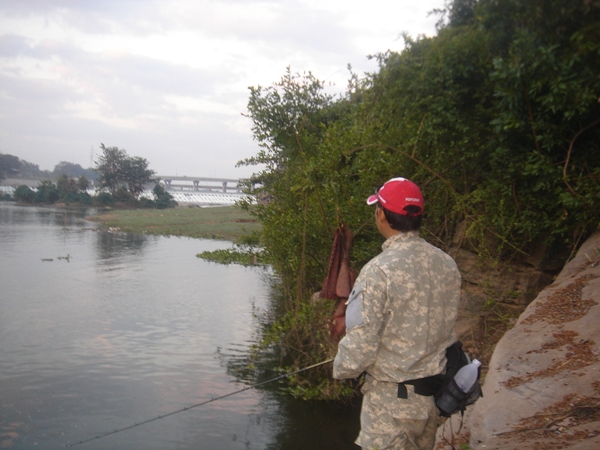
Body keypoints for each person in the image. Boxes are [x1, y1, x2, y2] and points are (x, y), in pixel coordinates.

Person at [333, 177, 461, 450]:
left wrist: (340, 368)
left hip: (391, 406)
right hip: (431, 402)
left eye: (376, 207)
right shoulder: (446, 263)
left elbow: (360, 347)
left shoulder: (378, 271)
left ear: (381, 214)